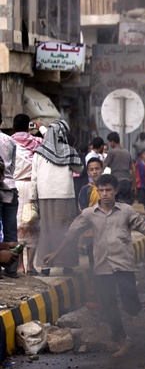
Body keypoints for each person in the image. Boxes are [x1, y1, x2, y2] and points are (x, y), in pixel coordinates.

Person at [44, 174, 145, 357]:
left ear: (115, 191)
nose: (104, 194)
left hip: (124, 266)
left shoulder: (126, 211)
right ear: (98, 191)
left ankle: (136, 318)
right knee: (109, 306)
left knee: (131, 306)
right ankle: (122, 342)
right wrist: (56, 253)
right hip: (102, 268)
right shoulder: (89, 213)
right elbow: (71, 234)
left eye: (108, 190)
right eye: (101, 190)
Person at [30, 120, 84, 276]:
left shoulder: (39, 152)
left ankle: (46, 267)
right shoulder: (69, 150)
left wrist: (33, 198)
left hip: (45, 196)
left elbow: (34, 177)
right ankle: (67, 265)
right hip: (65, 196)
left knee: (47, 230)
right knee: (67, 229)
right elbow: (79, 168)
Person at [11, 114, 44, 276]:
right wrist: (40, 127)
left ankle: (19, 266)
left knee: (17, 227)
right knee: (32, 225)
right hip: (33, 187)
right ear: (28, 126)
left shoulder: (8, 141)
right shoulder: (37, 142)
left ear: (14, 126)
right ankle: (30, 266)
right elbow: (50, 139)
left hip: (14, 186)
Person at [0, 115, 19, 278]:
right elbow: (12, 166)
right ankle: (12, 269)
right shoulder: (9, 140)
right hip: (10, 187)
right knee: (11, 230)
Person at [77, 157, 103, 274]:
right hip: (90, 231)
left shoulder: (107, 188)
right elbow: (83, 209)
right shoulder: (86, 190)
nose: (95, 172)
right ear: (88, 173)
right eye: (92, 170)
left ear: (102, 170)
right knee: (92, 258)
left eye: (97, 168)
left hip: (106, 229)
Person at [103, 132, 134, 204]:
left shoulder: (112, 152)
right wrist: (134, 185)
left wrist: (99, 178)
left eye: (109, 142)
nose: (110, 144)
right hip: (127, 182)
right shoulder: (127, 153)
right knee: (127, 205)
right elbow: (134, 170)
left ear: (113, 142)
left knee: (117, 205)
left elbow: (104, 165)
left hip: (116, 182)